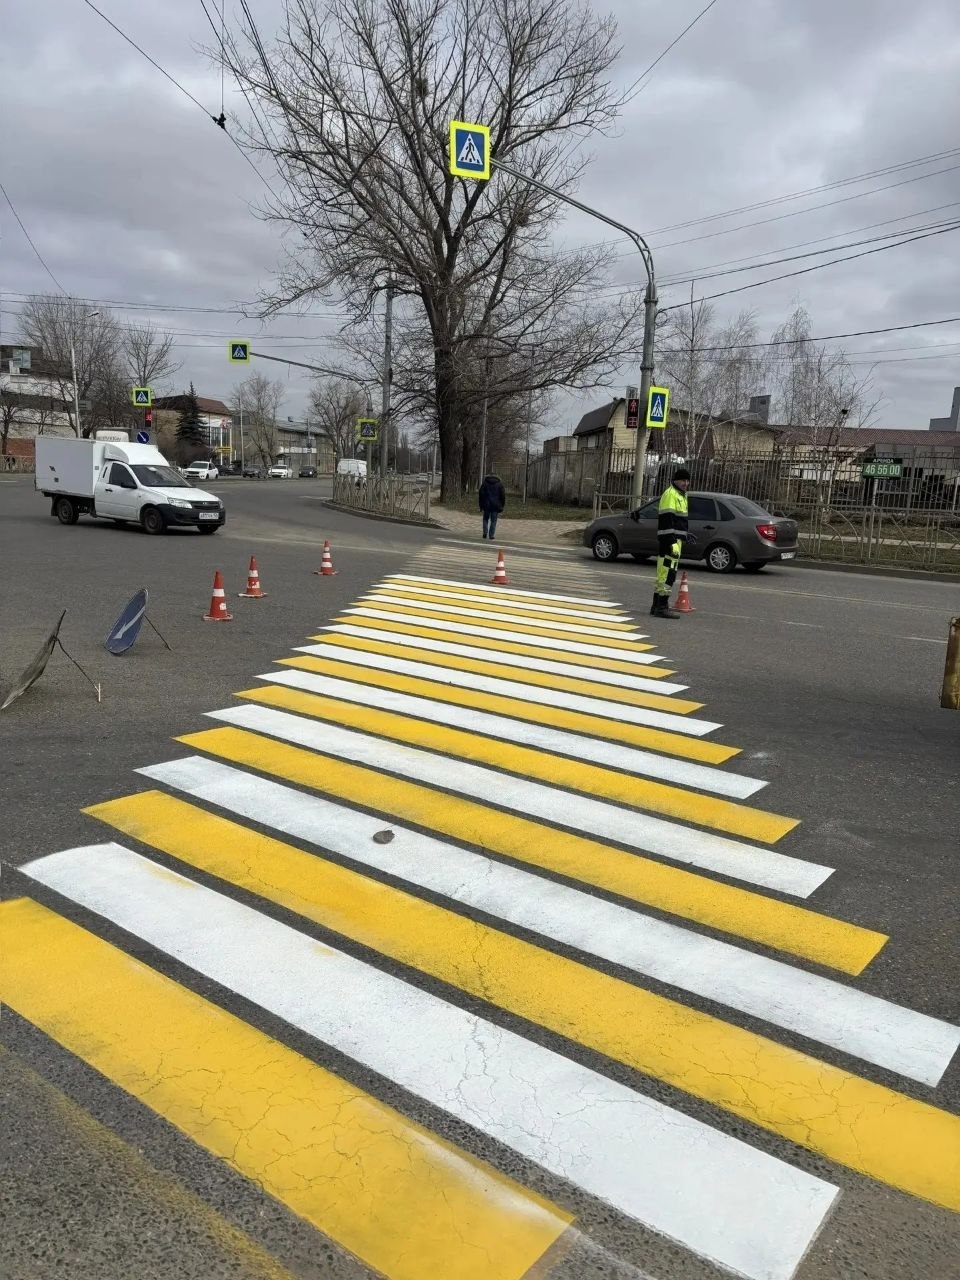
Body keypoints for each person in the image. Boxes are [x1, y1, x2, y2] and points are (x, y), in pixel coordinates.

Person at [650, 467, 693, 618]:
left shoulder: (681, 495)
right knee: (668, 574)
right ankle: (661, 607)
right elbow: (666, 521)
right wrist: (672, 542)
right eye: (683, 480)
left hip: (674, 540)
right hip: (670, 542)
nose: (685, 483)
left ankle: (656, 606)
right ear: (675, 480)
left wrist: (685, 535)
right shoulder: (671, 494)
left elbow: (679, 520)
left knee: (664, 573)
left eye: (687, 480)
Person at [478, 472, 506, 539]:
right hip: (495, 505)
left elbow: (481, 494)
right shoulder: (499, 484)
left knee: (485, 519)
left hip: (486, 504)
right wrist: (502, 505)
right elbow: (503, 496)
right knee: (494, 520)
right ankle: (491, 535)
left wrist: (481, 505)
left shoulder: (485, 483)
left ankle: (485, 533)